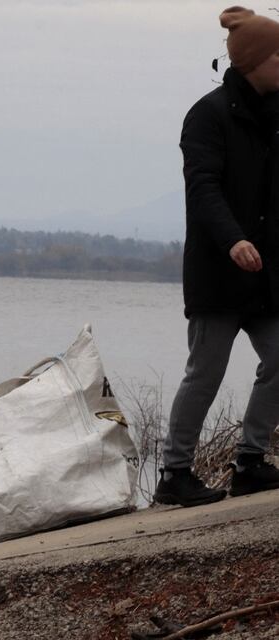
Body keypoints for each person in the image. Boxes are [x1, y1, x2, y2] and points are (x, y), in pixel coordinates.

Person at [156, 6, 279, 507]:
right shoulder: (207, 114)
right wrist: (232, 240)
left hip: (268, 275)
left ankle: (249, 462)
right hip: (218, 271)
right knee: (204, 373)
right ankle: (175, 473)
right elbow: (202, 188)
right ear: (255, 61)